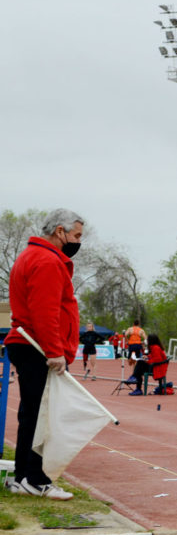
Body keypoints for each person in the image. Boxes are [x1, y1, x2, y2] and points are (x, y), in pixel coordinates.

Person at [3, 208, 85, 500]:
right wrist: (54, 351)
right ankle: (36, 480)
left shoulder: (29, 256)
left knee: (32, 414)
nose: (79, 242)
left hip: (27, 343)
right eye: (77, 235)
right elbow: (45, 311)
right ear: (60, 231)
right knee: (44, 417)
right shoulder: (48, 260)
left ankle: (22, 477)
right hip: (37, 347)